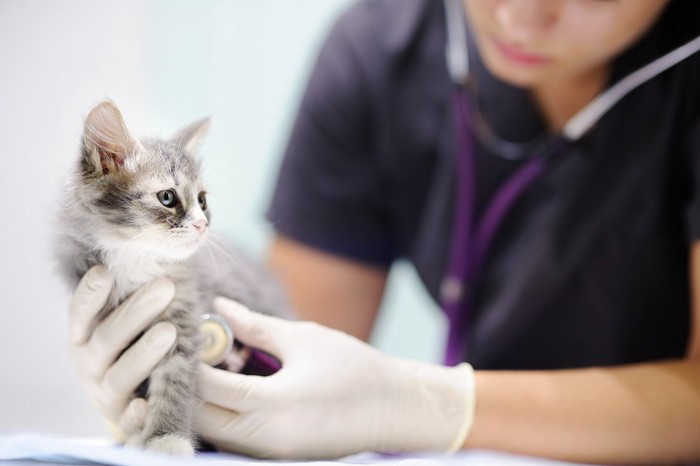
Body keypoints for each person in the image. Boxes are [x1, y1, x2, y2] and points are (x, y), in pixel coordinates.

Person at [67, 0, 700, 463]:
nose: (520, 18)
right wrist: (196, 386)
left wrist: (422, 404)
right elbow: (287, 356)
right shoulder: (377, 49)